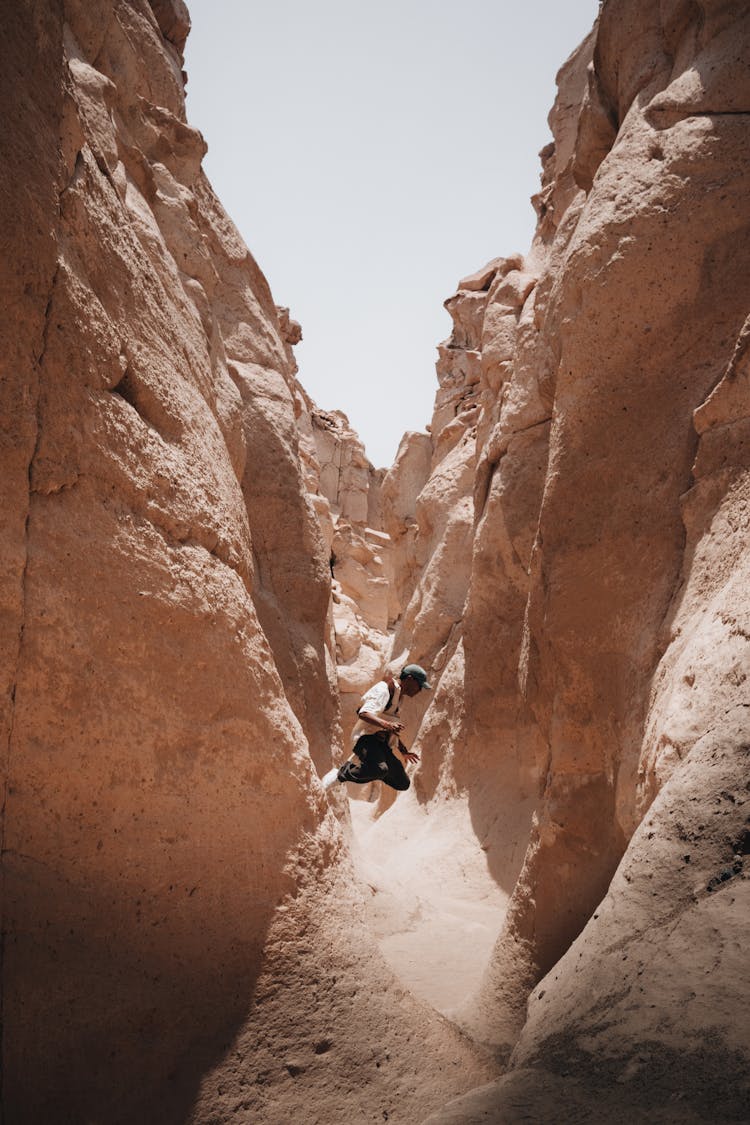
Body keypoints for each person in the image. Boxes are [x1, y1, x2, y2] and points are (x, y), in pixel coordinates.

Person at [321, 664, 431, 792]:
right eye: (419, 685)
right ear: (410, 679)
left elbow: (391, 727)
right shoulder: (383, 690)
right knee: (380, 769)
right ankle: (341, 775)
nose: (419, 690)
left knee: (402, 783)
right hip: (365, 739)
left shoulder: (398, 697)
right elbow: (364, 713)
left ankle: (376, 768)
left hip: (381, 745)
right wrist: (387, 725)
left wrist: (403, 751)